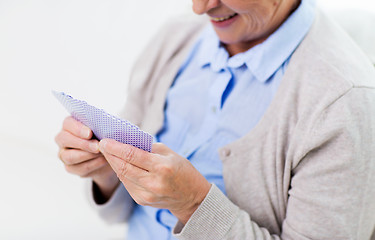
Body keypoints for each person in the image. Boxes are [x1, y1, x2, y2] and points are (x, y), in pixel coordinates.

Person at [55, 0, 375, 239]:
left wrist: (194, 204)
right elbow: (121, 212)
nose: (200, 8)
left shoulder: (345, 103)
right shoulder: (176, 38)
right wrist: (107, 173)